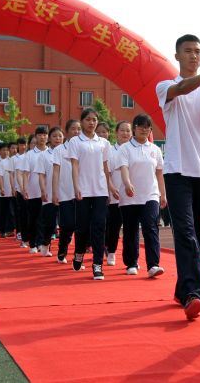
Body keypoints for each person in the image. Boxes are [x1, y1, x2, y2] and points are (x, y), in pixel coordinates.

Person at [155, 34, 200, 320]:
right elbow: (183, 89)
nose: (194, 55)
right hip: (177, 170)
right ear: (177, 56)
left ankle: (182, 289)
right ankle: (195, 293)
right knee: (185, 232)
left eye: (198, 51)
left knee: (197, 234)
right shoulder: (166, 86)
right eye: (188, 51)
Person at [67, 107, 119, 280]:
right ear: (82, 122)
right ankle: (79, 252)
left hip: (100, 190)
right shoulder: (75, 142)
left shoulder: (104, 143)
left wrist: (110, 187)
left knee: (99, 226)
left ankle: (97, 265)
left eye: (94, 120)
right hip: (83, 189)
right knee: (82, 227)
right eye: (88, 119)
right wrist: (76, 187)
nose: (91, 123)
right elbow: (74, 166)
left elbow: (106, 168)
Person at [117, 113, 167, 278]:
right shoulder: (125, 148)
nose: (144, 130)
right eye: (140, 126)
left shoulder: (155, 149)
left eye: (147, 127)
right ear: (135, 128)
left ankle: (153, 264)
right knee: (131, 230)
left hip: (150, 194)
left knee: (150, 226)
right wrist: (127, 183)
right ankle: (131, 263)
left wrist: (163, 194)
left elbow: (159, 173)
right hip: (130, 195)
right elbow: (123, 168)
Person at [53, 119, 81, 265]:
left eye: (78, 129)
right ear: (67, 132)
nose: (76, 131)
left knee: (81, 227)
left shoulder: (84, 148)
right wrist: (55, 192)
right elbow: (56, 173)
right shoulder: (59, 150)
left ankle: (78, 257)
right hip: (65, 194)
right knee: (67, 225)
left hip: (82, 194)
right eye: (73, 129)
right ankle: (62, 249)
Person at [105, 121, 130, 267]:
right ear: (116, 132)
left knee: (130, 228)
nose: (125, 133)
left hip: (131, 196)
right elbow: (106, 172)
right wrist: (111, 188)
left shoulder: (134, 149)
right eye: (122, 130)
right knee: (114, 226)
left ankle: (130, 258)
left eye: (128, 131)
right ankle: (111, 251)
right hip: (114, 195)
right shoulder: (111, 151)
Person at [35, 126, 63, 256]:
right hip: (50, 194)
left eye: (60, 136)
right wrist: (43, 190)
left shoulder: (68, 152)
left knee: (67, 224)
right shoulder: (44, 155)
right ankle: (45, 243)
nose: (57, 138)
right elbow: (41, 174)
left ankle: (63, 252)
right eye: (54, 136)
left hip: (66, 194)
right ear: (49, 139)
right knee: (50, 223)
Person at [24, 128, 49, 253]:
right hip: (33, 191)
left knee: (45, 219)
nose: (43, 137)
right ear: (36, 137)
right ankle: (33, 243)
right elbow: (26, 173)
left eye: (45, 135)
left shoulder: (51, 153)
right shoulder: (30, 154)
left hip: (48, 192)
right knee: (34, 219)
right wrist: (24, 189)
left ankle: (42, 243)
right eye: (40, 135)